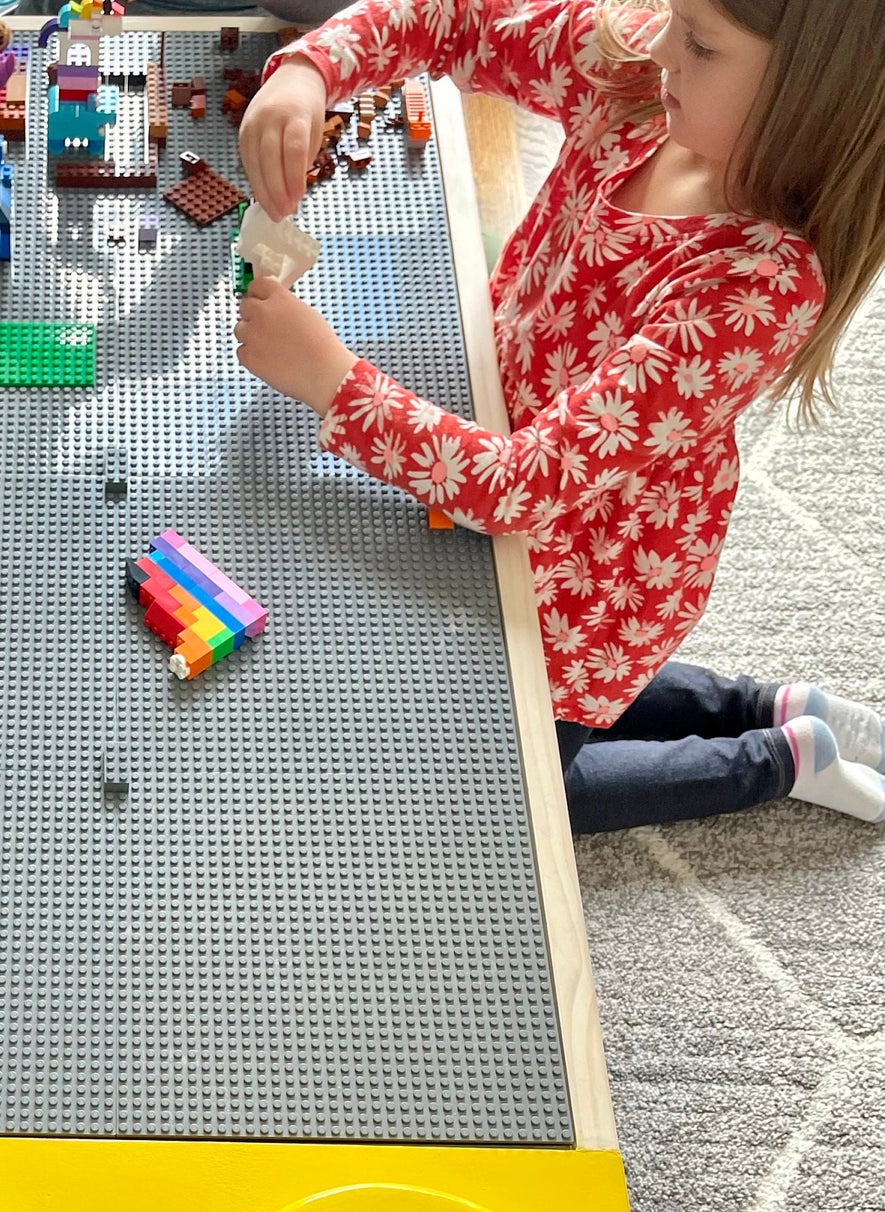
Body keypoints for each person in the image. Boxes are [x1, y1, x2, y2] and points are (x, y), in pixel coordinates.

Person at [235, 1, 885, 831]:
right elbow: (454, 21)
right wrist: (309, 69)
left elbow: (518, 488)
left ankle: (774, 760)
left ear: (810, 93)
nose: (660, 45)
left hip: (585, 575)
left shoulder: (756, 289)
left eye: (700, 42)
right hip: (501, 452)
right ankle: (768, 702)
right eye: (673, 13)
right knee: (543, 696)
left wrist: (331, 379)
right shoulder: (641, 76)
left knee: (504, 791)